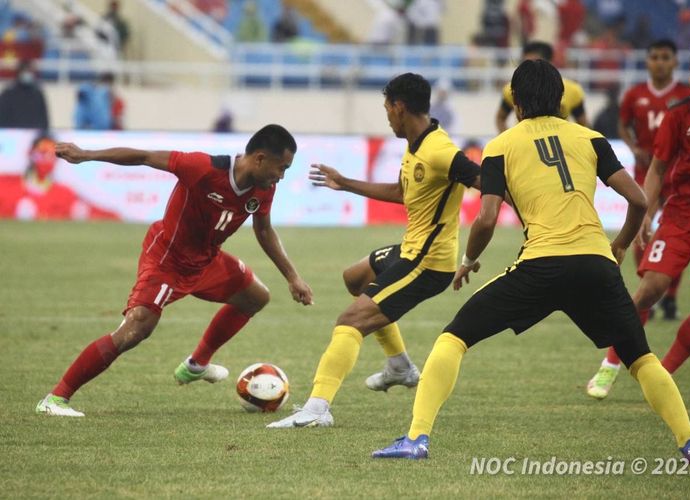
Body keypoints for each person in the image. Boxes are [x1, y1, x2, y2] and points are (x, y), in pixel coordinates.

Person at [371, 59, 690, 465]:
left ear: (516, 101)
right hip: (595, 264)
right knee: (640, 358)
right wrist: (620, 245)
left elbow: (485, 218)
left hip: (540, 265)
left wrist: (468, 260)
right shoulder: (590, 138)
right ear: (560, 98)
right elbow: (639, 199)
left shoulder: (501, 145)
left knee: (453, 338)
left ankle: (416, 438)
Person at [36, 125, 314, 417]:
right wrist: (86, 155)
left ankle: (196, 365)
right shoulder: (203, 167)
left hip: (208, 261)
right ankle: (56, 398)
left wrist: (293, 277)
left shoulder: (263, 189)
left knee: (255, 297)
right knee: (136, 329)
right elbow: (143, 156)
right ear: (259, 158)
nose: (281, 176)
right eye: (281, 167)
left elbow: (264, 230)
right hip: (168, 260)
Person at [267, 73, 480, 428]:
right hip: (410, 250)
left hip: (427, 264)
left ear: (399, 107)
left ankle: (318, 408)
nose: (386, 116)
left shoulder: (440, 151)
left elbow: (484, 181)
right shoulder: (416, 144)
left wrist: (472, 253)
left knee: (350, 321)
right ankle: (399, 366)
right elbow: (401, 193)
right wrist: (345, 183)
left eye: (386, 108)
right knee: (355, 278)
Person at [585, 37, 690, 399]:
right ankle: (610, 363)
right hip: (679, 218)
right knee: (650, 289)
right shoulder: (679, 114)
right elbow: (657, 168)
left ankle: (661, 375)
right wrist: (646, 209)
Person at [612, 39, 690, 324]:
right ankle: (648, 292)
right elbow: (622, 124)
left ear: (674, 62)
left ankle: (670, 296)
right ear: (647, 61)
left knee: (676, 234)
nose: (659, 62)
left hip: (679, 175)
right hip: (646, 174)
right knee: (639, 232)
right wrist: (634, 148)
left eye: (665, 57)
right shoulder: (635, 94)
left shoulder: (686, 94)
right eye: (654, 56)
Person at [0, 133, 117, 220]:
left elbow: (101, 214)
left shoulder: (65, 194)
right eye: (42, 153)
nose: (47, 159)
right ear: (30, 153)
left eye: (52, 155)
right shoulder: (5, 184)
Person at [495, 41, 587, 133]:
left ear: (550, 63)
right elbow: (500, 118)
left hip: (559, 143)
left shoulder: (572, 90)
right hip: (524, 143)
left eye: (536, 63)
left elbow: (583, 124)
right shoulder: (512, 89)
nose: (531, 70)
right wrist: (508, 139)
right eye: (526, 64)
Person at [0, 59, 49, 129]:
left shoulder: (37, 94)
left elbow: (44, 119)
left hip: (32, 135)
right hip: (11, 134)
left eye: (29, 71)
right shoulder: (8, 93)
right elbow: (2, 117)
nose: (27, 74)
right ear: (19, 72)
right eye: (25, 71)